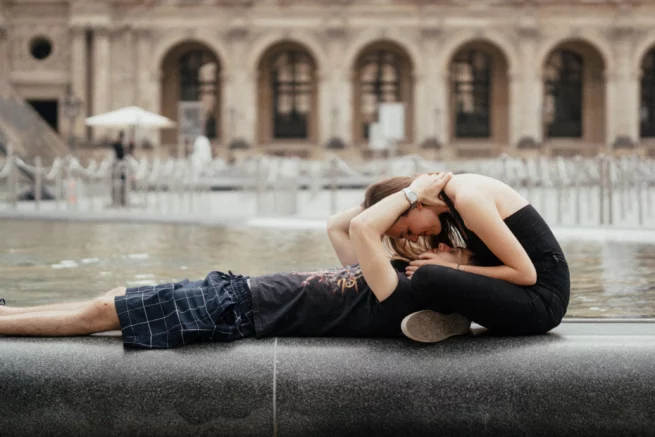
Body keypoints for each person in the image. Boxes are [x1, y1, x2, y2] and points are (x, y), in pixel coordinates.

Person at [0, 173, 472, 348]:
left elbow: (362, 228)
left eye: (453, 251)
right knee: (112, 297)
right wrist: (400, 196)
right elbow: (338, 225)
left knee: (101, 312)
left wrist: (413, 194)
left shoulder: (395, 294)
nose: (439, 243)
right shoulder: (387, 275)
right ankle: (9, 313)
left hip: (235, 312)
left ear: (454, 276)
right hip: (234, 290)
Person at [362, 172, 570, 343]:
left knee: (426, 276)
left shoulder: (467, 199)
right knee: (403, 266)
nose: (415, 238)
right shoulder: (453, 200)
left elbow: (526, 275)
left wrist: (450, 268)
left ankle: (450, 319)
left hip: (542, 303)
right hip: (519, 292)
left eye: (407, 231)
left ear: (417, 205)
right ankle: (449, 319)